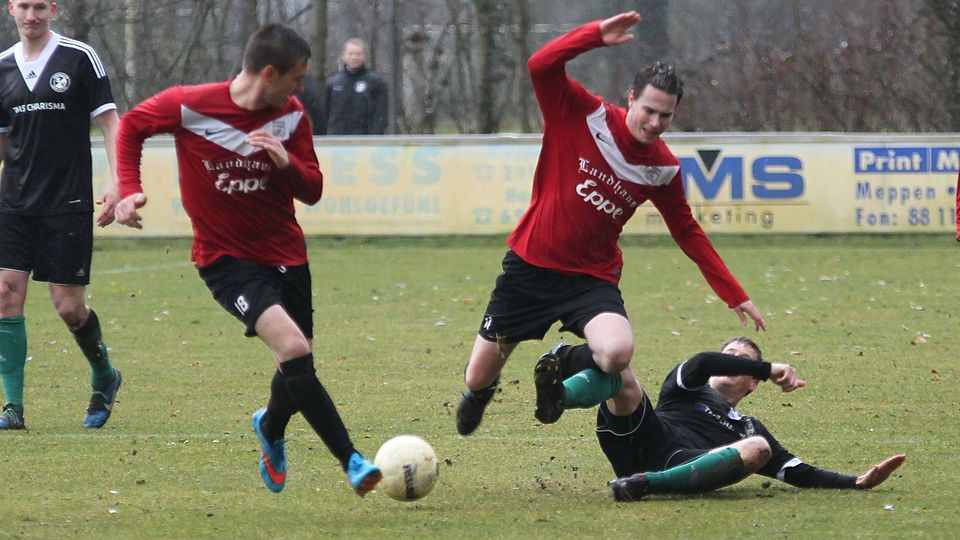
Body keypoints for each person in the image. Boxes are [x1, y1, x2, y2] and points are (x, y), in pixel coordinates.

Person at [455, 11, 766, 437]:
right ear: (631, 98)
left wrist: (733, 292)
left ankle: (563, 363)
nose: (655, 123)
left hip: (590, 279)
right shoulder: (582, 113)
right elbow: (540, 65)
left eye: (666, 116)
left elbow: (686, 230)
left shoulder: (662, 168)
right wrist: (594, 36)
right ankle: (479, 393)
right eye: (649, 110)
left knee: (617, 352)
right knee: (477, 376)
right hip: (530, 267)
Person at [111, 22, 382, 497]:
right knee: (294, 349)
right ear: (270, 74)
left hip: (286, 254)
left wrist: (285, 163)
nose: (302, 88)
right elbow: (132, 125)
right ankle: (352, 461)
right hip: (225, 259)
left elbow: (313, 190)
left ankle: (271, 427)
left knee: (296, 360)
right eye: (297, 78)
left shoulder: (291, 115)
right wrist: (129, 189)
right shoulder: (191, 104)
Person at [0, 0, 122, 430]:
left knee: (69, 307)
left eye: (40, 6)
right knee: (5, 292)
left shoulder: (79, 57)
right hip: (14, 203)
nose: (31, 15)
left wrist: (119, 181)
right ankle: (13, 407)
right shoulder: (2, 67)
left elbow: (111, 123)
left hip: (67, 201)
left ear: (53, 9)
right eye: (24, 6)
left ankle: (105, 375)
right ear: (11, 9)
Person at [599, 337, 906, 500]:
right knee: (620, 372)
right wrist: (767, 368)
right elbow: (704, 361)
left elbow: (796, 472)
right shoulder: (687, 388)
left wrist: (857, 482)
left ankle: (642, 484)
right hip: (641, 438)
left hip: (683, 465)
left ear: (753, 384)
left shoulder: (749, 427)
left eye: (742, 361)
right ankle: (566, 394)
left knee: (758, 447)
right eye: (728, 356)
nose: (731, 361)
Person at [323, 38, 388, 135]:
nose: (354, 57)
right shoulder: (333, 82)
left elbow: (380, 113)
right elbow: (325, 112)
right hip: (337, 137)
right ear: (343, 56)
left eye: (358, 54)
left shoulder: (375, 81)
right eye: (351, 53)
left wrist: (375, 135)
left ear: (364, 56)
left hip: (365, 138)